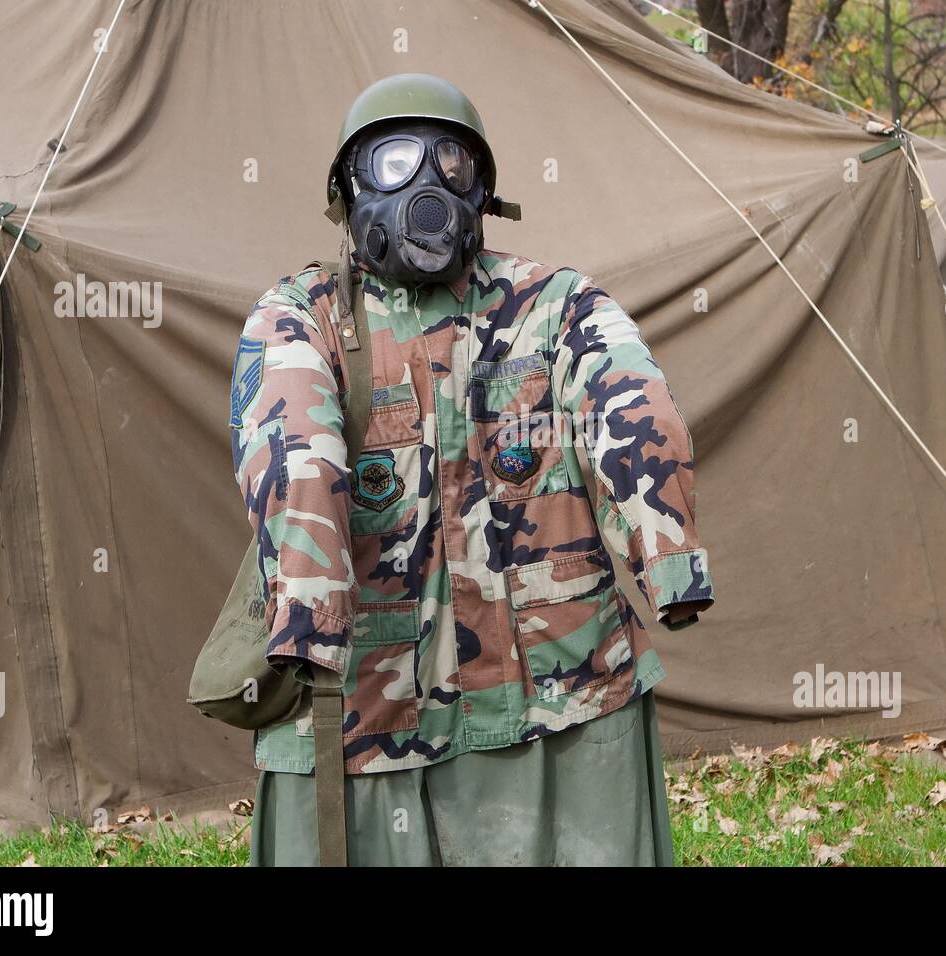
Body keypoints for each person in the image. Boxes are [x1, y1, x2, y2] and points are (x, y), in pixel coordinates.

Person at [230, 73, 714, 866]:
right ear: (351, 190)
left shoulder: (550, 304)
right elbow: (293, 451)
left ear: (482, 191)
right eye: (393, 162)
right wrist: (309, 614)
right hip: (370, 714)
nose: (425, 185)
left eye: (451, 163)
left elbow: (630, 407)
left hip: (559, 700)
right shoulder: (305, 314)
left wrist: (671, 561)